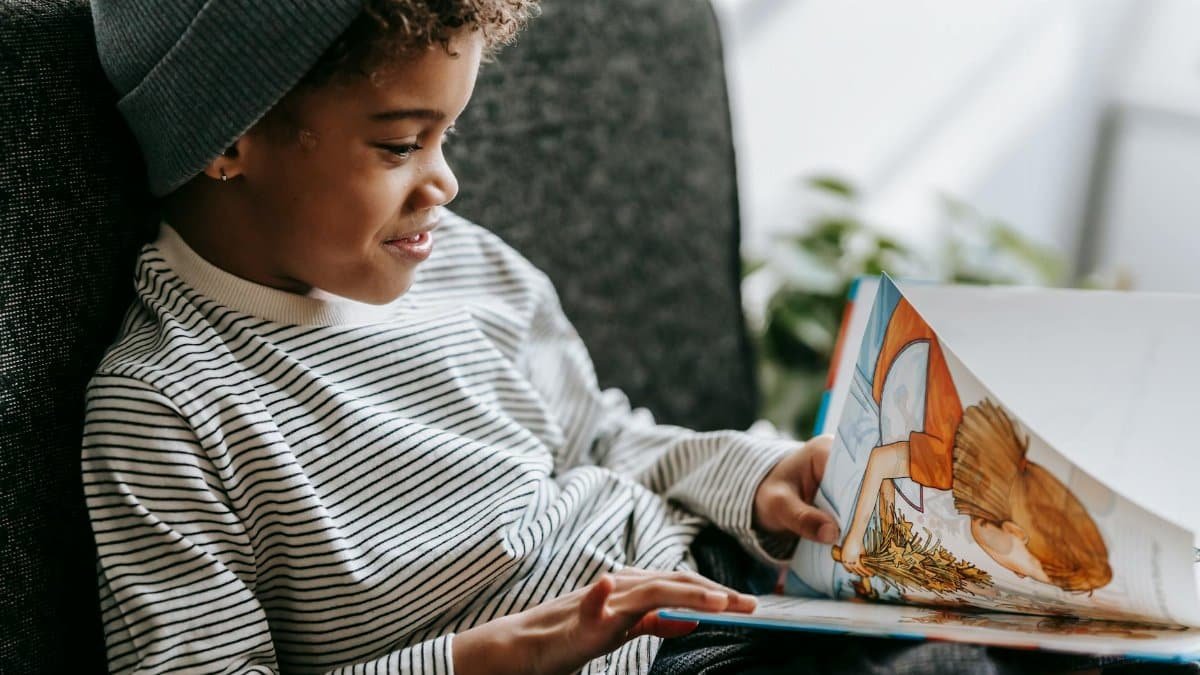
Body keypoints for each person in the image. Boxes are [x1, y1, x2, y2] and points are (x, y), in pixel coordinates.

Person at [81, 2, 1159, 674]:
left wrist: (758, 477)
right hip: (642, 665)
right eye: (401, 144)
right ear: (230, 142)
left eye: (447, 136)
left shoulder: (465, 263)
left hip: (731, 581)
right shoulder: (165, 407)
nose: (445, 183)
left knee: (1078, 605)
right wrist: (494, 657)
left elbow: (601, 437)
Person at [837, 299, 1111, 593]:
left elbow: (893, 449)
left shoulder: (967, 463)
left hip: (907, 361)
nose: (1018, 577)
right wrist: (853, 539)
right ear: (1013, 532)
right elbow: (881, 459)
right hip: (892, 345)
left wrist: (886, 525)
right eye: (1028, 572)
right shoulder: (947, 463)